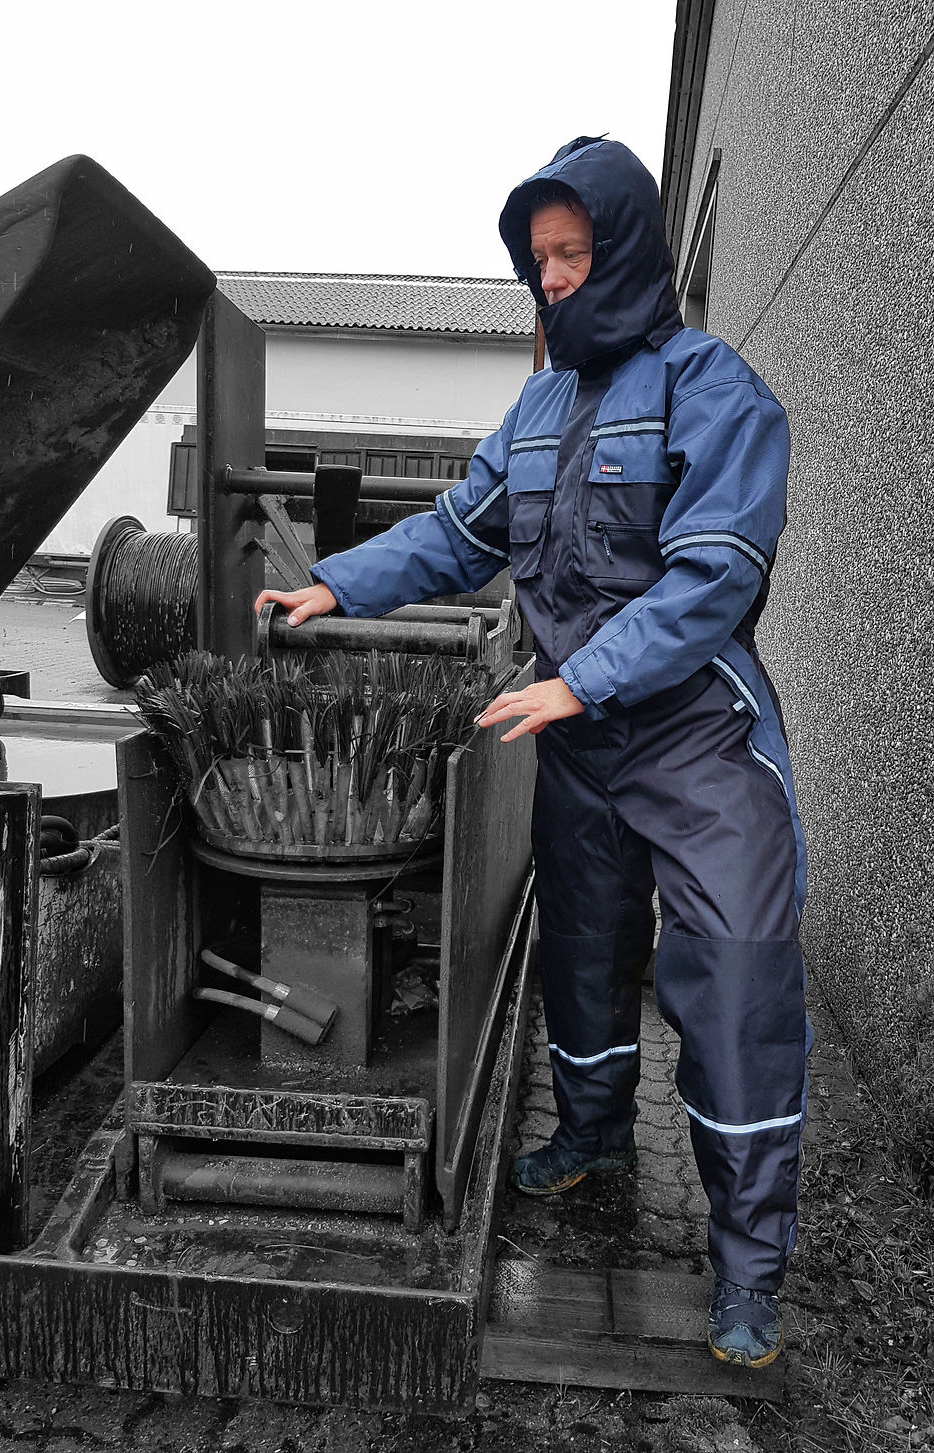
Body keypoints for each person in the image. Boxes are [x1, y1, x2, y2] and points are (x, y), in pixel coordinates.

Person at [255, 136, 811, 1370]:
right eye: (535, 260)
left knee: (732, 983)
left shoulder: (714, 389)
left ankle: (746, 1267)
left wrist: (582, 681)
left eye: (571, 253)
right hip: (579, 740)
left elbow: (715, 577)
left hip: (695, 736)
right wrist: (334, 588)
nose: (550, 278)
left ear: (622, 249)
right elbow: (460, 533)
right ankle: (594, 1137)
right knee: (581, 947)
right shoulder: (539, 406)